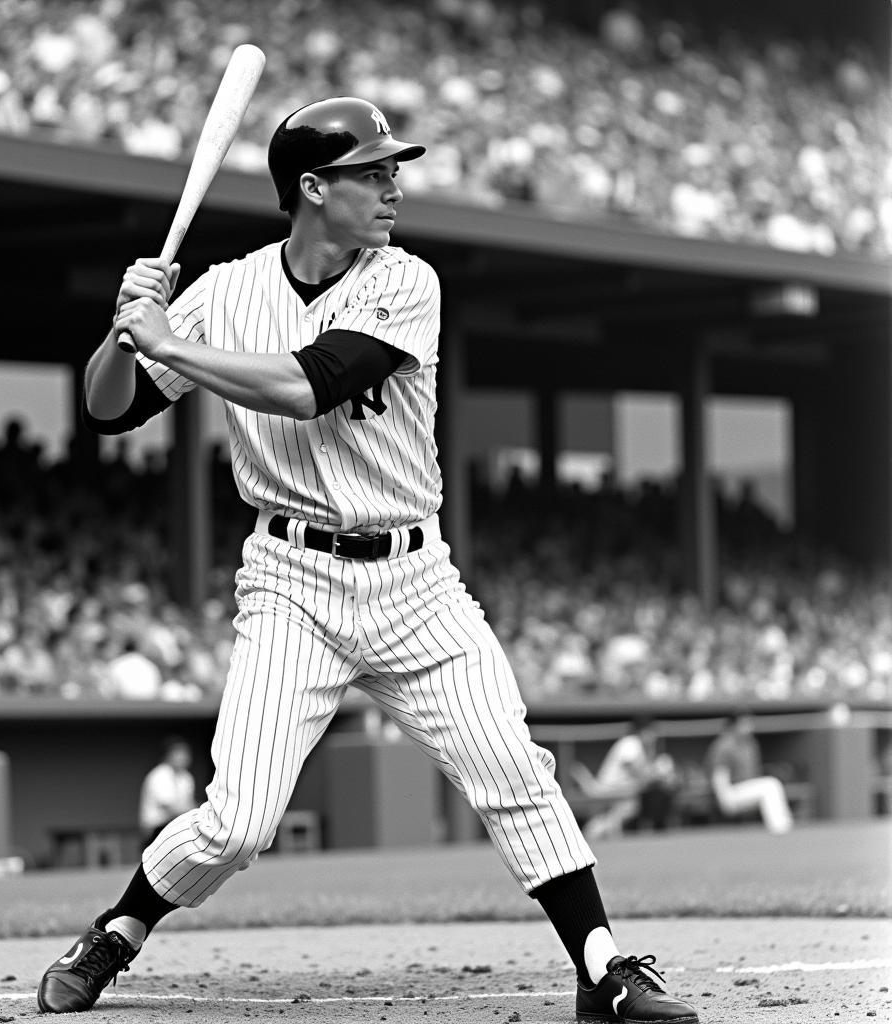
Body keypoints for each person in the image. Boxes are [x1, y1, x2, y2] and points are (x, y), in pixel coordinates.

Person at [37, 96, 699, 1024]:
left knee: (512, 765)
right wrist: (126, 326)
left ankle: (603, 968)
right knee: (238, 822)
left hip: (413, 577)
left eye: (394, 169)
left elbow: (313, 385)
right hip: (290, 581)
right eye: (373, 171)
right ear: (312, 187)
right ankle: (116, 932)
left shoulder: (406, 281)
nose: (394, 185)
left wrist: (171, 340)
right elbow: (109, 409)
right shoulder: (225, 290)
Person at [579, 717, 678, 841]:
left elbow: (643, 777)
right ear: (642, 731)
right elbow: (638, 774)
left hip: (620, 791)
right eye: (651, 732)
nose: (654, 737)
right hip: (607, 788)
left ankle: (601, 830)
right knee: (632, 803)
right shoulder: (631, 742)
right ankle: (602, 830)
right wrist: (661, 774)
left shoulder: (642, 747)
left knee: (629, 805)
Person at [705, 711, 793, 835]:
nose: (749, 727)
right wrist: (724, 799)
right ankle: (780, 829)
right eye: (745, 723)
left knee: (770, 784)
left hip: (745, 790)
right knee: (770, 785)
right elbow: (719, 775)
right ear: (734, 725)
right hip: (731, 792)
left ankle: (782, 828)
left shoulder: (750, 743)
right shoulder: (724, 745)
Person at [138, 737, 197, 847]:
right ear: (168, 755)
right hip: (155, 830)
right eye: (179, 753)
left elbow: (191, 805)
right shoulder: (160, 774)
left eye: (185, 754)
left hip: (177, 827)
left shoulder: (187, 777)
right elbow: (170, 808)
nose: (183, 757)